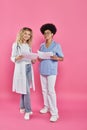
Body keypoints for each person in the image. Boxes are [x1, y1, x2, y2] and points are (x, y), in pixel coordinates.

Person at [38, 23, 64, 122]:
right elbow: (40, 58)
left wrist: (55, 57)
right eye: (44, 33)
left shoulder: (57, 45)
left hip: (52, 71)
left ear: (52, 34)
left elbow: (62, 58)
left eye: (48, 33)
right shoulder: (41, 45)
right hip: (42, 70)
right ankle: (46, 106)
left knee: (51, 91)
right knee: (44, 90)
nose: (46, 35)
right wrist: (39, 57)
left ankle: (54, 113)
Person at [11, 27, 36, 120]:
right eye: (25, 33)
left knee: (24, 89)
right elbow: (13, 58)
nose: (27, 36)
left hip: (29, 68)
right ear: (21, 34)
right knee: (27, 91)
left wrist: (33, 60)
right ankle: (28, 111)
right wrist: (19, 57)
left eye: (29, 34)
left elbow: (29, 58)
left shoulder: (28, 45)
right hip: (21, 69)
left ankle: (22, 107)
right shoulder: (16, 45)